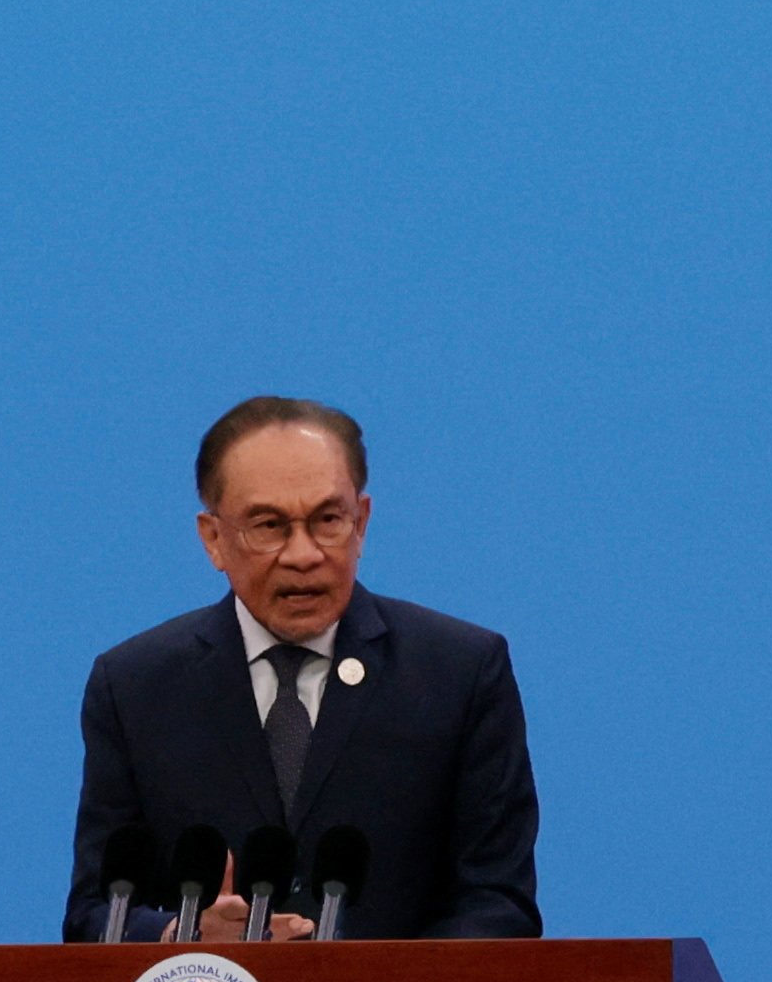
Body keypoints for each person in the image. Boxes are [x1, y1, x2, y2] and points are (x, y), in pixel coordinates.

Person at [63, 396, 541, 942]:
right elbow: (95, 913)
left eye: (327, 520)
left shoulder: (458, 672)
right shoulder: (136, 686)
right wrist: (182, 935)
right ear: (213, 538)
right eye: (268, 525)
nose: (303, 554)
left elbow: (499, 903)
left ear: (361, 522)